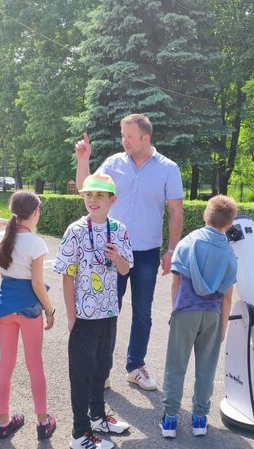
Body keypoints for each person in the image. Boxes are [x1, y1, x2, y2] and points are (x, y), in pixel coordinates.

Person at [75, 113, 184, 391]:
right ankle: (103, 372)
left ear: (145, 138)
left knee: (143, 313)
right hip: (113, 250)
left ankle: (135, 367)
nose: (124, 141)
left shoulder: (168, 168)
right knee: (108, 311)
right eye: (122, 135)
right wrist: (83, 160)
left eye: (129, 136)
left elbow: (175, 211)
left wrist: (172, 248)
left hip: (147, 253)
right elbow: (85, 189)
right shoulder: (113, 163)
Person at [54, 173, 134, 449]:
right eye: (88, 195)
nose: (93, 200)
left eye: (99, 195)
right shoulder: (75, 231)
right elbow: (67, 275)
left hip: (109, 311)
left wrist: (117, 258)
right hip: (84, 316)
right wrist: (71, 315)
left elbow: (125, 270)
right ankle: (79, 432)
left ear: (112, 199)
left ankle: (98, 418)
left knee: (103, 367)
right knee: (81, 373)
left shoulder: (120, 229)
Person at [160, 195, 238, 438]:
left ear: (206, 215)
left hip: (186, 311)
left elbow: (176, 282)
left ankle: (170, 420)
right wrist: (223, 326)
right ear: (229, 224)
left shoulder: (188, 242)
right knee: (206, 368)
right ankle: (200, 419)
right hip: (213, 315)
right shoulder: (229, 253)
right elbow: (227, 296)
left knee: (176, 365)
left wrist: (177, 310)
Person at [0, 190, 56, 440]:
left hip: (5, 307)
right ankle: (42, 421)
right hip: (30, 310)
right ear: (35, 212)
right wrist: (50, 311)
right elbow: (37, 284)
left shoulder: (2, 236)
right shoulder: (36, 243)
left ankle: (3, 422)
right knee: (35, 365)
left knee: (5, 364)